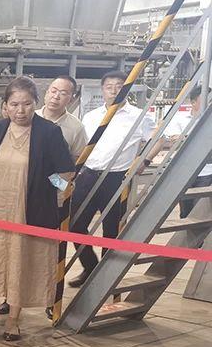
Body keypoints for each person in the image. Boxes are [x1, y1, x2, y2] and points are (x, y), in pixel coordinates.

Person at [0, 77, 74, 341]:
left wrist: (49, 189)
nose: (21, 110)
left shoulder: (49, 132)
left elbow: (65, 174)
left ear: (35, 104)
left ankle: (13, 320)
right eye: (14, 104)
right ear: (5, 106)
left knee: (21, 262)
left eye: (27, 104)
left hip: (28, 212)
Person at [0, 74, 87, 316]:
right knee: (14, 251)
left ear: (71, 98)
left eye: (63, 93)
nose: (56, 96)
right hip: (16, 200)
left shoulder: (73, 128)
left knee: (48, 253)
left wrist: (51, 188)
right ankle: (9, 297)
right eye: (53, 90)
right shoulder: (23, 120)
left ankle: (50, 300)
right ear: (45, 94)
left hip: (51, 199)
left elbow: (71, 166)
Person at [68, 69, 156, 287]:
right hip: (88, 175)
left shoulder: (139, 115)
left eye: (119, 86)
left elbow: (158, 139)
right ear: (102, 90)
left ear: (127, 89)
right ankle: (90, 267)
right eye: (109, 87)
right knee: (74, 224)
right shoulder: (91, 116)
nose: (114, 90)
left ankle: (104, 280)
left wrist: (144, 161)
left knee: (111, 231)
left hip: (117, 179)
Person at [164, 86, 209, 218]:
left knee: (201, 211)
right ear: (193, 102)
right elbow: (174, 140)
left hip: (207, 172)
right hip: (183, 171)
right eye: (205, 100)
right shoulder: (180, 119)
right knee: (185, 209)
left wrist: (185, 138)